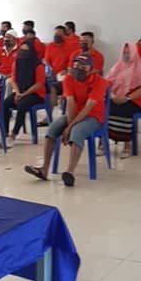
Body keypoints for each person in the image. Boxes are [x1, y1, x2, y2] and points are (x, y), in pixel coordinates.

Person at [24, 53, 107, 188]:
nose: (78, 69)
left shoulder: (100, 82)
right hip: (74, 114)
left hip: (93, 117)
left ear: (91, 69)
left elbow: (88, 108)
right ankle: (44, 169)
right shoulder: (69, 79)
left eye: (83, 67)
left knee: (77, 131)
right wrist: (69, 123)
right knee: (52, 129)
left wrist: (70, 127)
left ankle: (70, 172)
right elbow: (71, 104)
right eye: (76, 65)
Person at [105, 42, 141, 149]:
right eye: (124, 53)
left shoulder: (140, 67)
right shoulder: (118, 66)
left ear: (134, 53)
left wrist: (127, 98)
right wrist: (112, 96)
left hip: (134, 100)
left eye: (129, 53)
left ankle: (126, 144)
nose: (126, 55)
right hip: (116, 97)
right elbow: (107, 84)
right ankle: (103, 142)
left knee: (124, 110)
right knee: (106, 107)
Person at [4, 40, 45, 140]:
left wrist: (24, 94)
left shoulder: (38, 65)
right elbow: (13, 80)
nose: (23, 53)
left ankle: (14, 133)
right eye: (21, 50)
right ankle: (5, 132)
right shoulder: (16, 63)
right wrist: (18, 93)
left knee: (22, 104)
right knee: (5, 103)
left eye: (26, 51)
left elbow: (39, 84)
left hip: (35, 94)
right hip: (20, 91)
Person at [44, 25, 72, 108]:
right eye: (56, 34)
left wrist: (66, 70)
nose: (57, 36)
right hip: (51, 72)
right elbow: (47, 61)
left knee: (64, 81)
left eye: (59, 34)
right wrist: (50, 71)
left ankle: (61, 106)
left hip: (63, 72)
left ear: (64, 35)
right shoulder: (50, 46)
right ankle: (51, 105)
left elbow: (71, 63)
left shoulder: (70, 47)